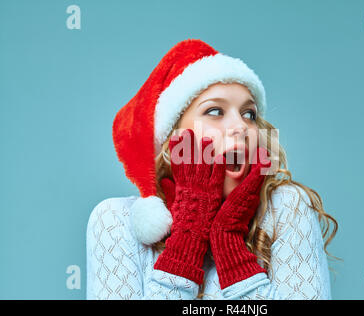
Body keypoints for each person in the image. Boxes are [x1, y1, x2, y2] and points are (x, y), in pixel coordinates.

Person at [86, 39, 338, 300]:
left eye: (249, 114)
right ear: (174, 140)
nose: (241, 127)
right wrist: (189, 235)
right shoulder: (115, 221)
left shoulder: (286, 208)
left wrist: (229, 243)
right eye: (215, 111)